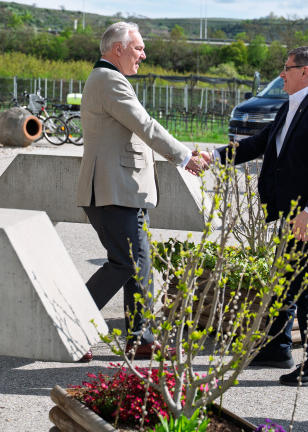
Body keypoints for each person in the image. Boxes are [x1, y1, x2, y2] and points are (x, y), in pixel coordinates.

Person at [199, 46, 308, 387]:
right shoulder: (290, 106)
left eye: (287, 68)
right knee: (284, 283)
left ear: (305, 71)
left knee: (306, 291)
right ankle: (277, 347)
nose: (282, 73)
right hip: (291, 213)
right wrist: (213, 156)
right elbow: (259, 143)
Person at [76, 22, 206, 362]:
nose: (143, 55)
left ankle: (141, 338)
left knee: (141, 266)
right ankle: (69, 328)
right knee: (126, 263)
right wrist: (184, 156)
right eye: (138, 48)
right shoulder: (108, 80)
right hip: (114, 190)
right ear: (118, 49)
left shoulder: (109, 79)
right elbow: (144, 124)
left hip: (125, 191)